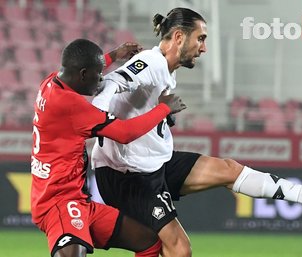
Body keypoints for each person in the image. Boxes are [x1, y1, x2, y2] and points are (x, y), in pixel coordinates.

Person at [90, 8, 302, 257]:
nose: (204, 48)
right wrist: (99, 120)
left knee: (228, 169)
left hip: (152, 164)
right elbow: (112, 82)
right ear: (180, 37)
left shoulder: (167, 71)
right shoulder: (151, 62)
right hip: (127, 176)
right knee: (179, 249)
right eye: (200, 39)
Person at [31, 38, 187, 257]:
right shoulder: (71, 105)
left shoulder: (50, 82)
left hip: (78, 200)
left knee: (148, 241)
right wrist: (163, 108)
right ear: (83, 74)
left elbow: (84, 65)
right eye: (98, 74)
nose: (101, 80)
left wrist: (115, 54)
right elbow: (124, 134)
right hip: (58, 201)